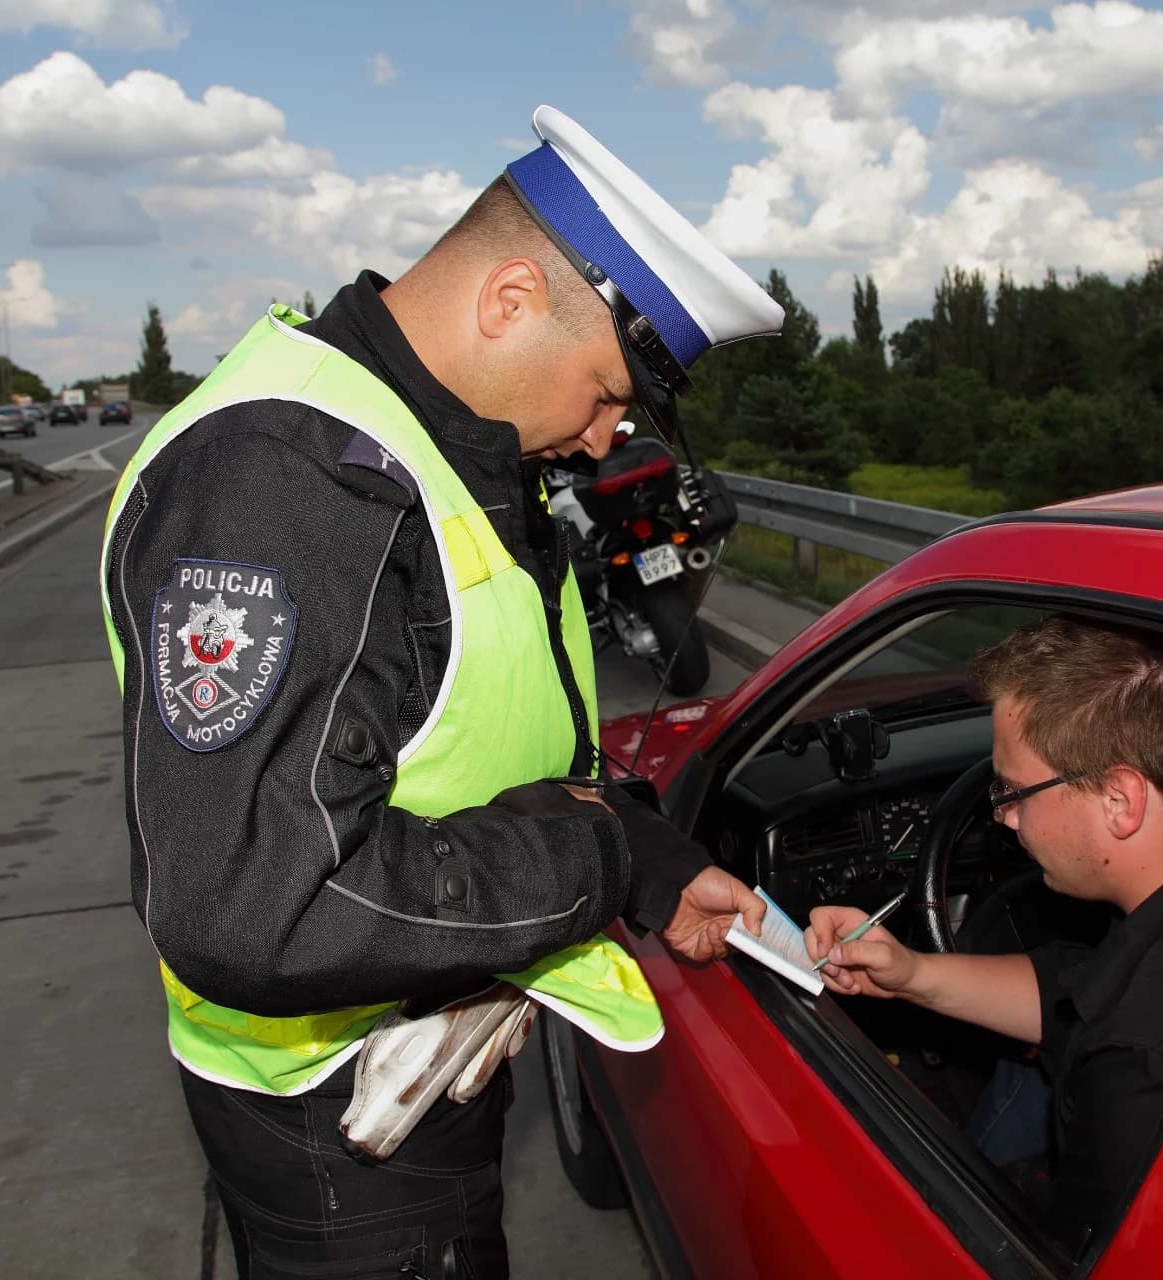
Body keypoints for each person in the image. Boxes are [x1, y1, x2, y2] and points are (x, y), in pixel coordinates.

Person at [99, 105, 781, 1278]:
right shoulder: (284, 484)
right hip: (339, 1135)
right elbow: (260, 904)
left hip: (414, 1065)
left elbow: (485, 745)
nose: (604, 435)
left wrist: (649, 858)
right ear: (511, 299)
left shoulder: (449, 452)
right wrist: (599, 866)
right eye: (610, 390)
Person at [806, 616, 1163, 1248]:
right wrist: (914, 975)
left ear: (1120, 800)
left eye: (1012, 791)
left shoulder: (1139, 1071)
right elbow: (1081, 990)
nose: (1001, 817)